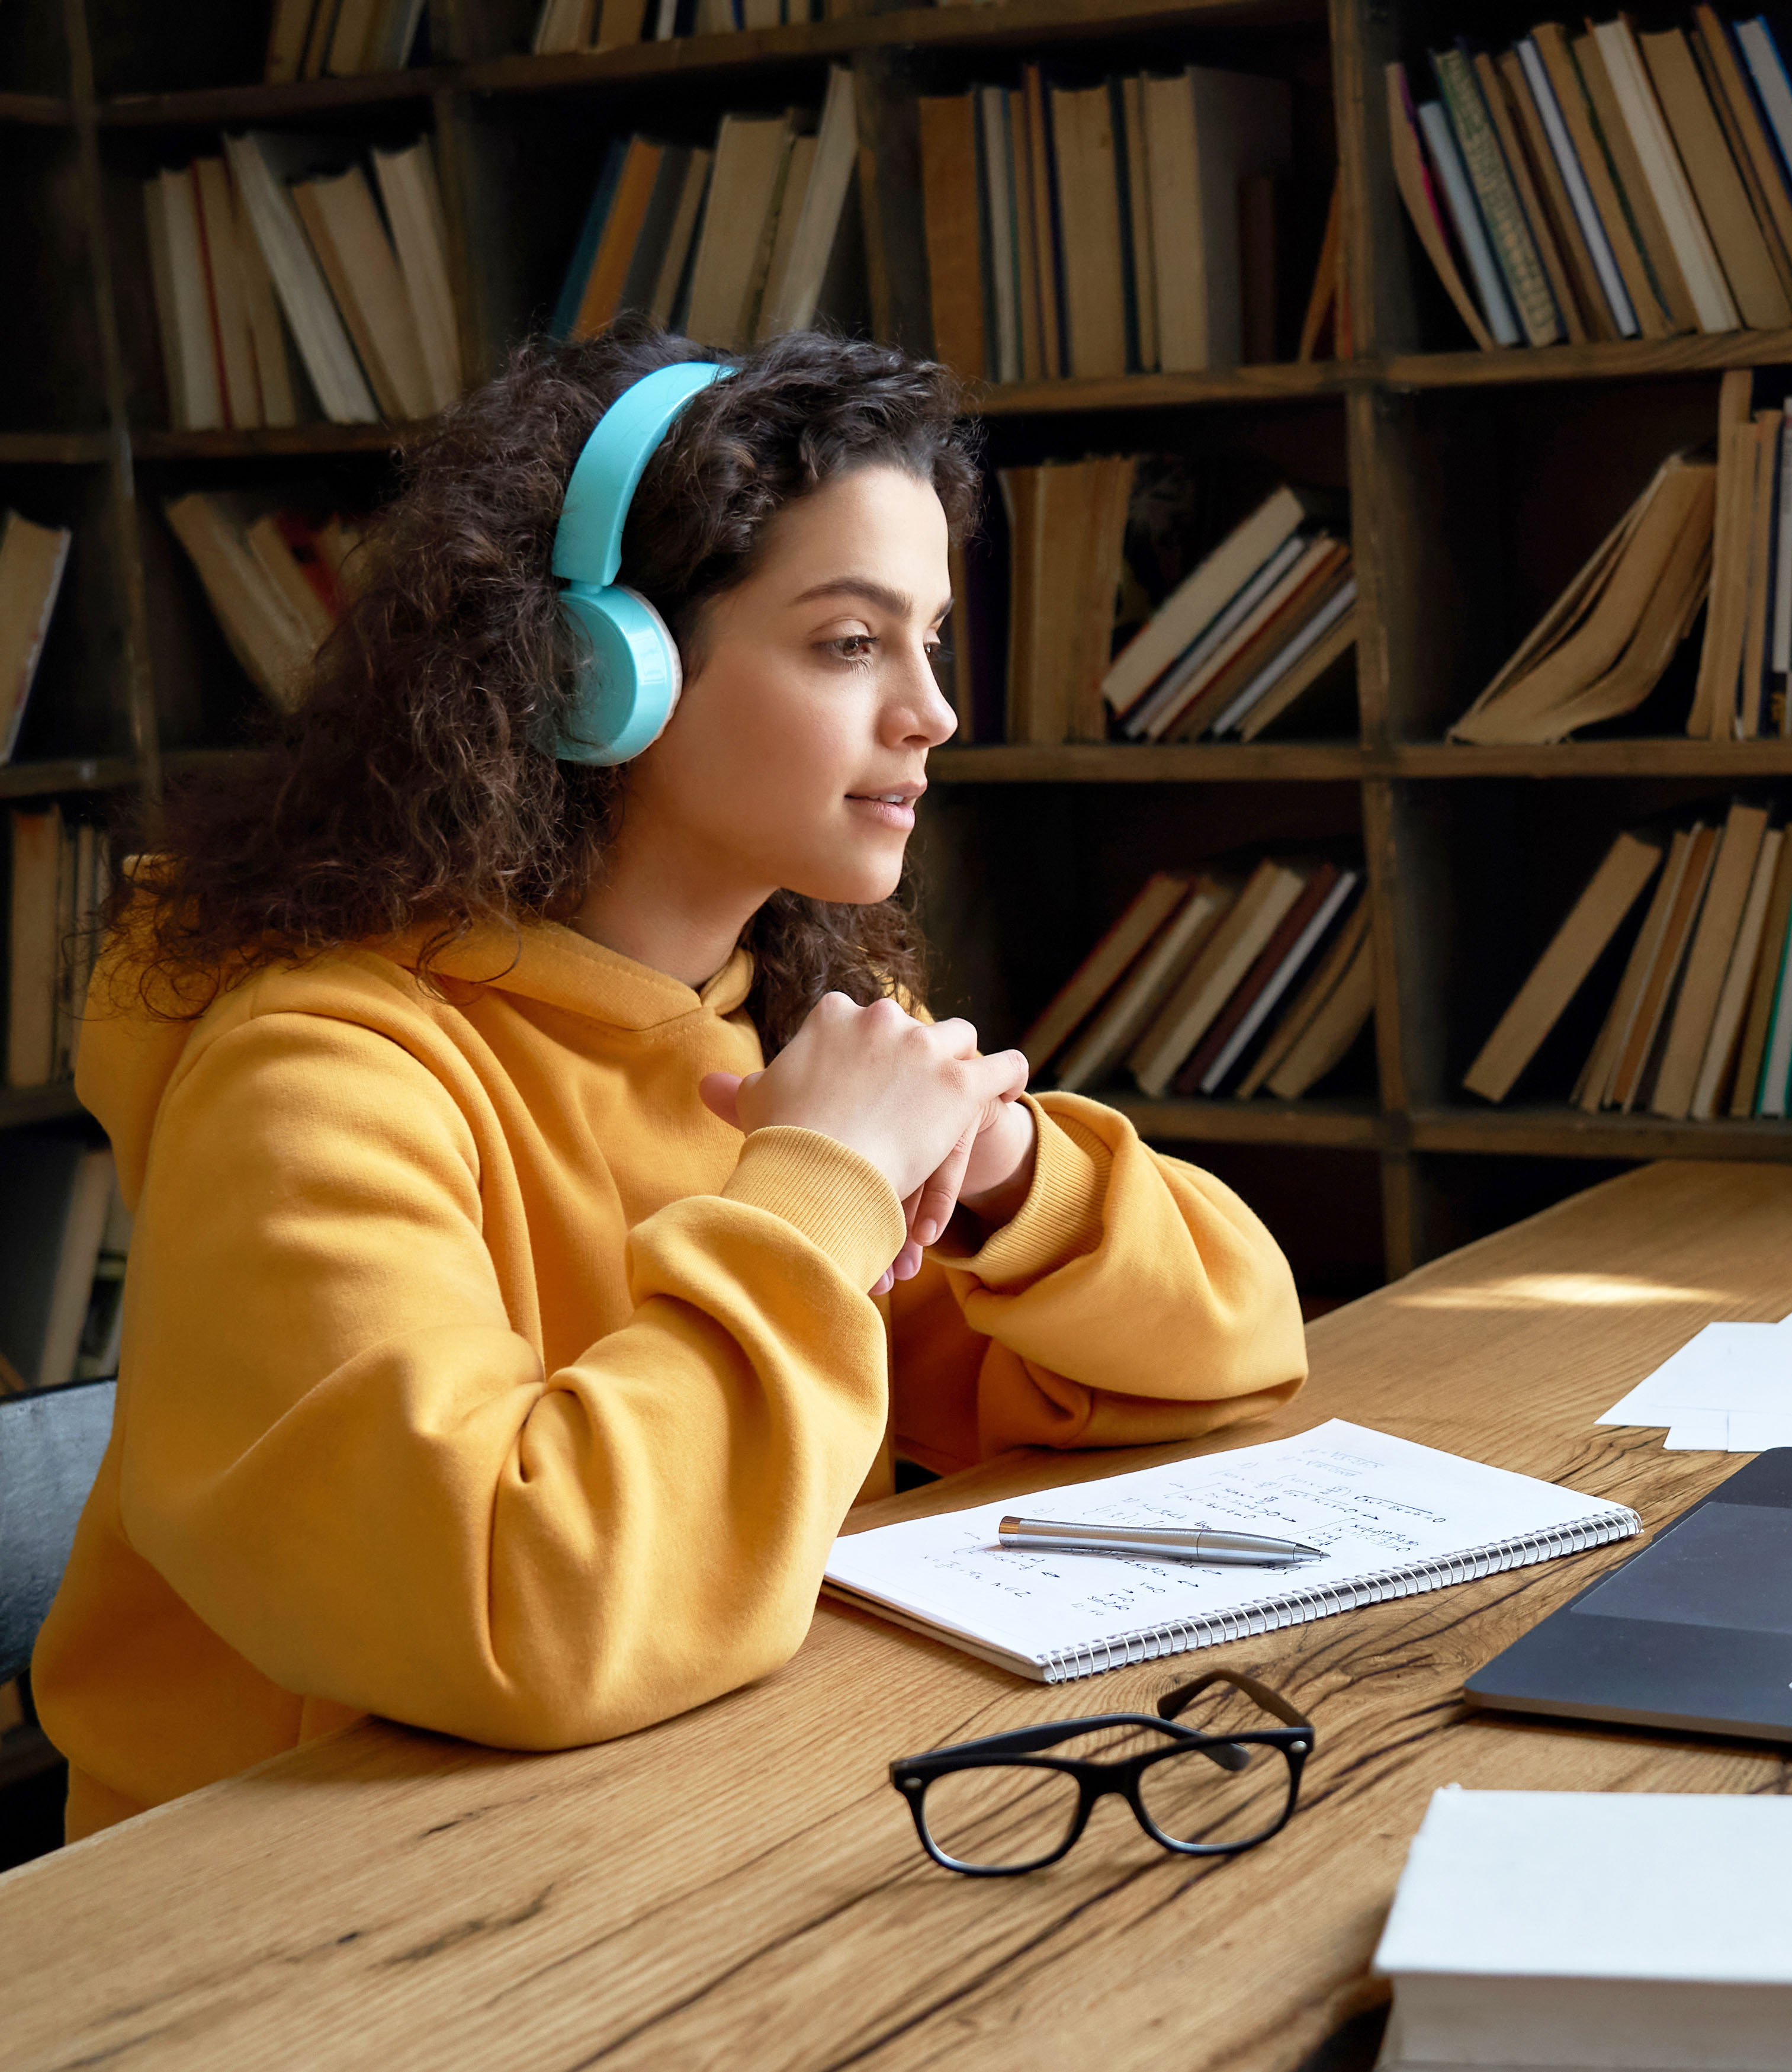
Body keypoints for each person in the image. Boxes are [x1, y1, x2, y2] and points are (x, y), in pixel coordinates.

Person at [30, 323, 1306, 1843]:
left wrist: (1013, 1174)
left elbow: (1232, 1349)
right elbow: (522, 1604)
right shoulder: (313, 1077)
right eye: (849, 643)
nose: (932, 712)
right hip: (301, 1910)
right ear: (598, 672)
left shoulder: (791, 1022)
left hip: (667, 1804)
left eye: (931, 640)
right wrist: (823, 1194)